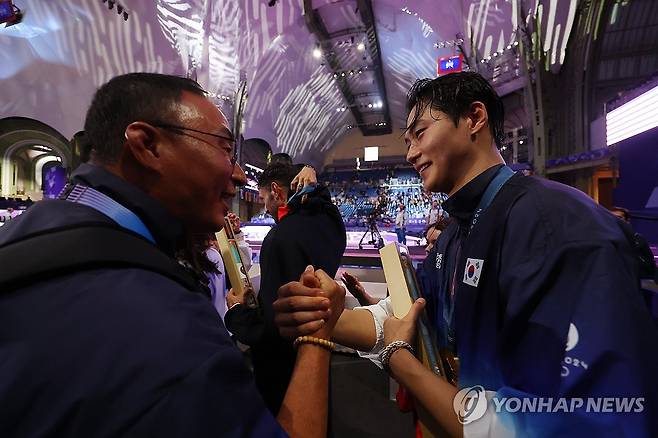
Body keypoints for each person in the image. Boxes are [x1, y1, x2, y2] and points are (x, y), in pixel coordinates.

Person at [273, 72, 658, 437]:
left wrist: (402, 362)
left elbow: (593, 422)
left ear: (474, 118)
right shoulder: (455, 234)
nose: (410, 153)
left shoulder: (559, 226)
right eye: (407, 141)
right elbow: (401, 315)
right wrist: (322, 314)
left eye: (419, 134)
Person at [0, 72, 344, 437]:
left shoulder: (24, 232)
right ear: (147, 145)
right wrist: (317, 339)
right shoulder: (170, 328)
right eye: (225, 149)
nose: (241, 176)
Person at [224, 161, 346, 415]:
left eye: (264, 198)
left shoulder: (280, 239)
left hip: (283, 367)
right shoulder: (332, 222)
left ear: (277, 192)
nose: (265, 208)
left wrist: (237, 311)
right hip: (319, 346)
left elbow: (272, 328)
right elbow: (322, 203)